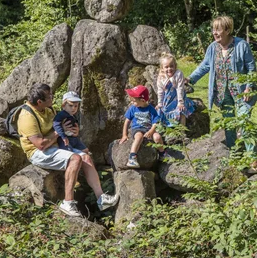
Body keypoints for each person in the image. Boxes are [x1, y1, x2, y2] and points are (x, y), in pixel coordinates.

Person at [17, 83, 119, 217]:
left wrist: (73, 132)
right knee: (75, 158)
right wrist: (60, 132)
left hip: (55, 146)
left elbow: (63, 125)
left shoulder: (48, 109)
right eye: (49, 97)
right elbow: (40, 145)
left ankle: (101, 198)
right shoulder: (27, 117)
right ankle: (68, 202)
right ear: (39, 102)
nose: (52, 98)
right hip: (37, 153)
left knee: (86, 157)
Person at [185, 16, 257, 169]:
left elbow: (252, 68)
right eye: (213, 29)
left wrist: (249, 86)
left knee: (244, 122)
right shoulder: (213, 47)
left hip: (242, 92)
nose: (214, 33)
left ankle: (253, 159)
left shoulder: (241, 45)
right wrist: (190, 79)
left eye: (218, 29)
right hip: (222, 93)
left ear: (227, 30)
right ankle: (234, 155)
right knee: (229, 125)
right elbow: (204, 66)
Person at [119, 85, 167, 168]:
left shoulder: (151, 109)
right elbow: (127, 121)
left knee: (157, 137)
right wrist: (124, 135)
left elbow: (155, 122)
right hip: (137, 128)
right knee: (139, 137)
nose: (132, 103)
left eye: (134, 101)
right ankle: (132, 157)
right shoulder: (132, 108)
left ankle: (162, 154)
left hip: (149, 129)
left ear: (142, 100)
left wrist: (151, 131)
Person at [156, 53, 195, 127]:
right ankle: (167, 129)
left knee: (181, 110)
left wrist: (180, 102)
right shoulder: (161, 77)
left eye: (171, 66)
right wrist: (160, 103)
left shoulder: (178, 74)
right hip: (167, 99)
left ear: (175, 66)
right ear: (162, 68)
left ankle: (182, 130)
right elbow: (160, 91)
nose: (169, 69)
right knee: (162, 111)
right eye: (166, 67)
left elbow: (180, 88)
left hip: (178, 97)